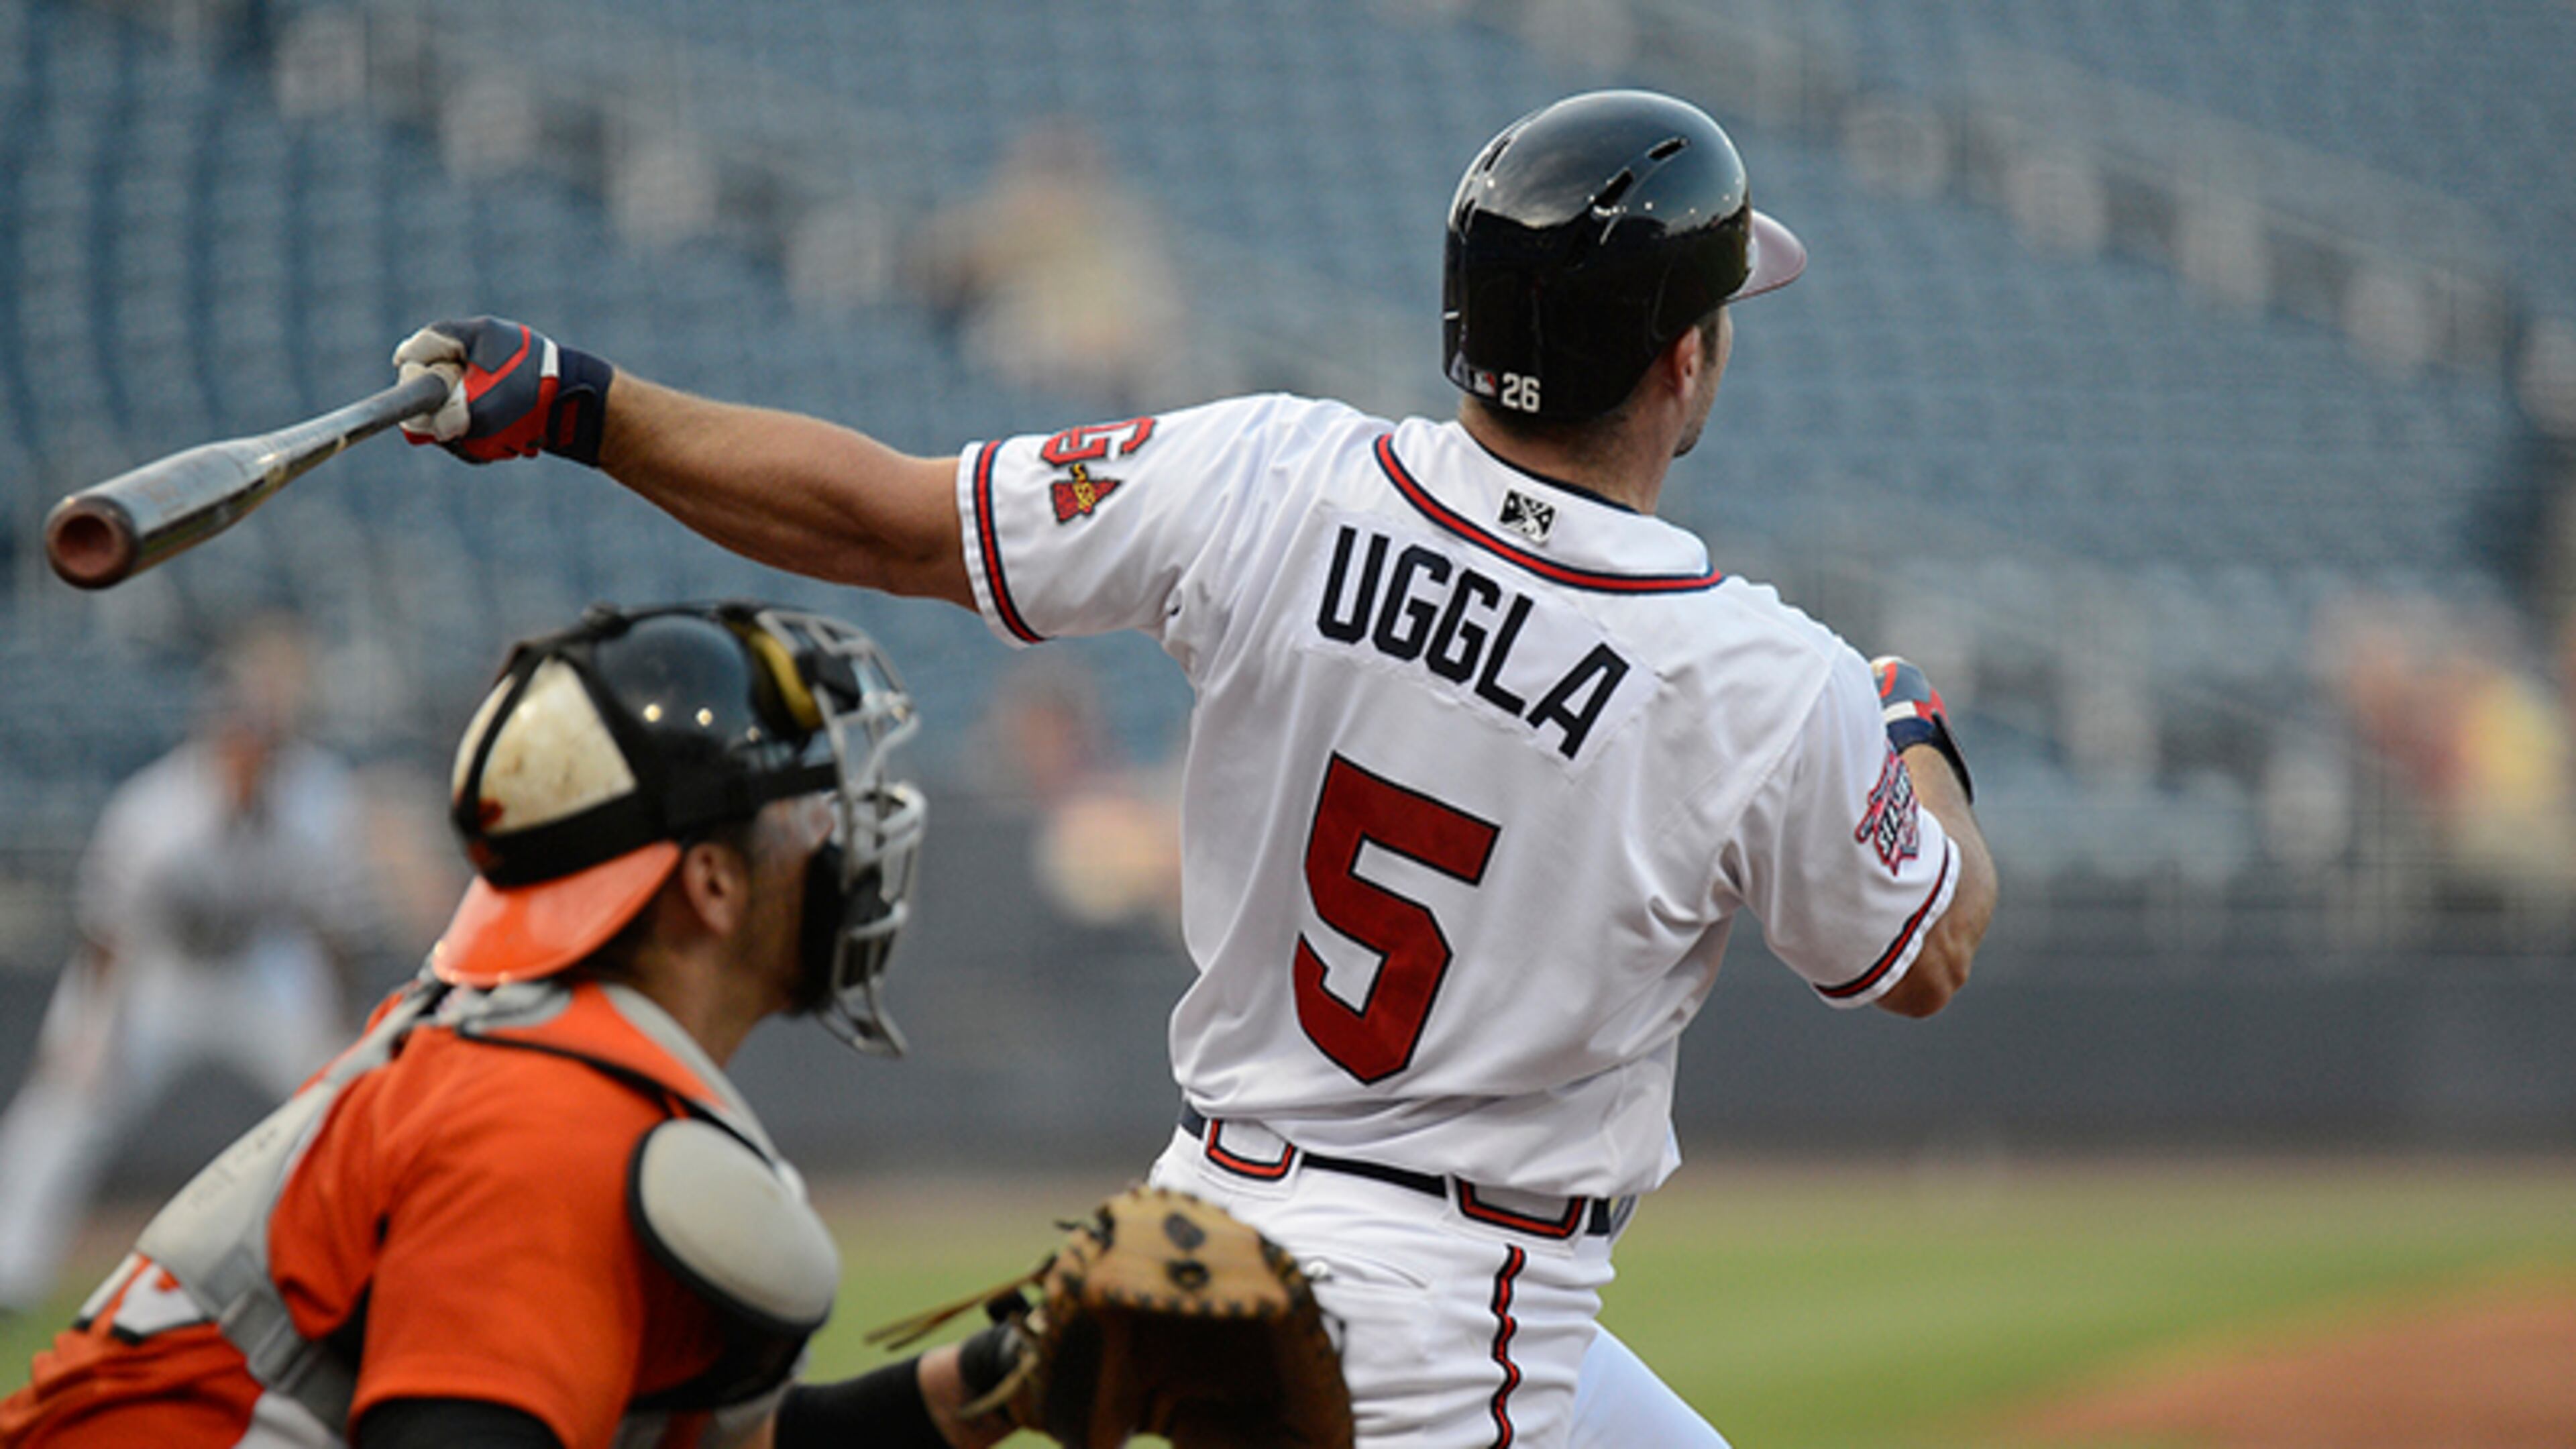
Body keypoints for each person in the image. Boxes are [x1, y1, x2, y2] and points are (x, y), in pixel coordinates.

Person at [390, 89, 1998, 1448]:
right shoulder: (1763, 677)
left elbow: (882, 516)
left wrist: (586, 405)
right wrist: (1914, 743)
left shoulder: (1268, 476)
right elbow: (1924, 953)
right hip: (1461, 1318)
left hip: (1223, 1202)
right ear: (1680, 362)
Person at [0, 603, 1026, 1449]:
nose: (838, 846)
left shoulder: (551, 1068)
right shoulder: (541, 1126)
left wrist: (998, 1383)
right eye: (808, 815)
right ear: (710, 884)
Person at [0, 616, 373, 1320]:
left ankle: (360, 1260)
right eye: (238, 738)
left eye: (263, 740)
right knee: (67, 1104)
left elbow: (334, 930)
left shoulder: (320, 800)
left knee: (346, 1096)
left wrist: (336, 1025)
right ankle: (9, 1271)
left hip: (264, 970)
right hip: (161, 975)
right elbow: (107, 935)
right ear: (214, 738)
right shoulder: (157, 808)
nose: (249, 753)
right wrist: (89, 1036)